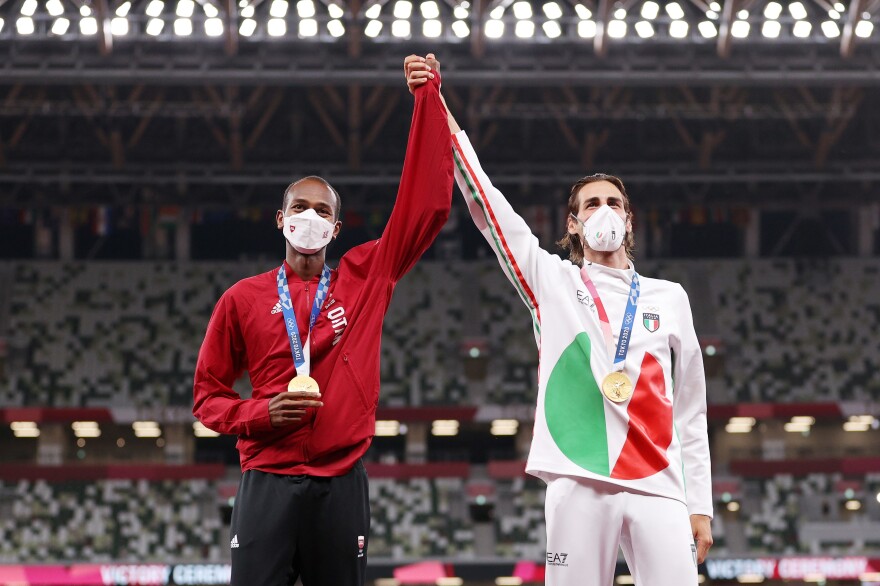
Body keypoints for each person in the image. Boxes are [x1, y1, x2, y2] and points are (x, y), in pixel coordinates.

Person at [405, 56, 713, 585]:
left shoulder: (671, 297)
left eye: (614, 202)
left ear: (629, 218)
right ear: (572, 222)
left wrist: (699, 502)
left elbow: (690, 410)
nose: (604, 212)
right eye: (591, 204)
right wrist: (437, 106)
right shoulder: (553, 281)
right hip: (576, 475)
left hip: (659, 480)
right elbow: (487, 204)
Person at [192, 57, 452, 586]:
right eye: (299, 207)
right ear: (281, 219)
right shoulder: (242, 299)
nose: (309, 217)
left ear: (335, 228)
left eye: (322, 210)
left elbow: (425, 205)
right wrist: (262, 414)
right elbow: (207, 399)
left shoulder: (367, 277)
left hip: (341, 480)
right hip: (266, 478)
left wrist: (428, 102)